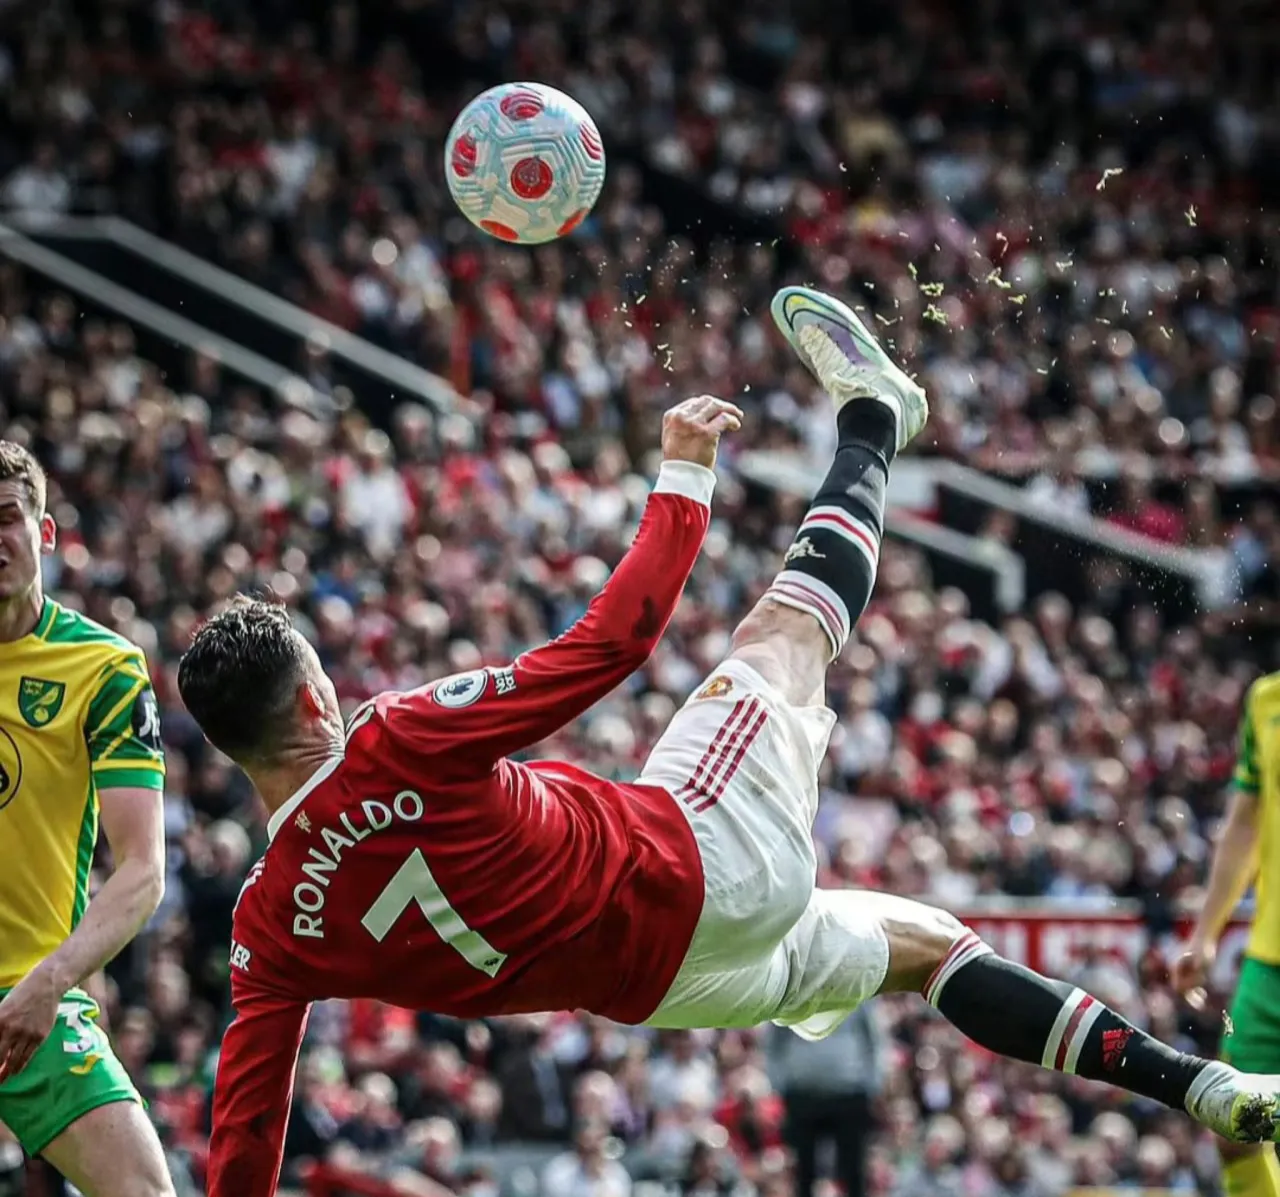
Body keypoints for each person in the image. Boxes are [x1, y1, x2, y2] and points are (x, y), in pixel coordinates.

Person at [178, 287, 1280, 1197]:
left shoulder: (267, 928)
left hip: (657, 991)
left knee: (928, 948)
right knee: (782, 634)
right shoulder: (393, 741)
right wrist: (682, 479)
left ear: (233, 749)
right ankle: (873, 417)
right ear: (318, 699)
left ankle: (1197, 1089)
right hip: (690, 860)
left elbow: (245, 1133)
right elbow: (611, 644)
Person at [0, 442, 173, 1197]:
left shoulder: (103, 669)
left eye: (6, 517)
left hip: (25, 999)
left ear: (43, 532)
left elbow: (142, 867)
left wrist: (52, 981)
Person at [1175, 669, 1280, 1197]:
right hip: (1268, 968)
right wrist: (1206, 935)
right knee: (1234, 1121)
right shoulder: (1267, 699)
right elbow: (1244, 821)